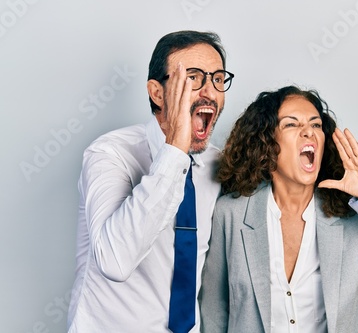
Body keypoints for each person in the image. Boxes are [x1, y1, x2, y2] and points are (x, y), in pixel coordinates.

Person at [199, 85, 358, 333]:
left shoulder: (351, 214)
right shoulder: (231, 213)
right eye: (291, 125)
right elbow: (215, 311)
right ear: (266, 144)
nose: (309, 133)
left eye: (316, 125)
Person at [67, 30, 234, 333]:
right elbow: (115, 261)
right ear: (157, 93)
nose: (209, 90)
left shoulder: (218, 165)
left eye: (218, 79)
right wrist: (175, 151)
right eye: (193, 78)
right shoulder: (110, 153)